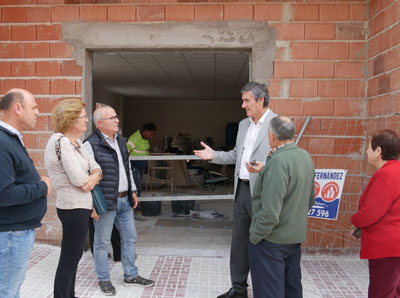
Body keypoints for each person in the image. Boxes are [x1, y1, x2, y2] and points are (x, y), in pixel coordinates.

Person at [194, 81, 276, 298]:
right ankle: (239, 289)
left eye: (247, 100)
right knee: (239, 244)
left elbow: (283, 161)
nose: (243, 105)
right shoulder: (243, 125)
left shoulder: (277, 124)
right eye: (243, 101)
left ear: (261, 100)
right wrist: (214, 156)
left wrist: (264, 167)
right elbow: (236, 155)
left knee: (262, 244)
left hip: (263, 194)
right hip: (241, 191)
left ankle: (264, 291)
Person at [84, 106, 154, 296]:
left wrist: (132, 190)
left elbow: (127, 168)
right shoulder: (90, 144)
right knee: (101, 242)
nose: (117, 120)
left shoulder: (121, 141)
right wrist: (93, 204)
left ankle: (130, 275)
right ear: (100, 123)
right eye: (112, 118)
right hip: (106, 202)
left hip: (125, 200)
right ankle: (104, 280)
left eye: (117, 117)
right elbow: (86, 176)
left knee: (130, 238)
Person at [246, 116, 315, 298]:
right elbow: (309, 199)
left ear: (272, 136)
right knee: (291, 290)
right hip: (293, 238)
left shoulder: (278, 162)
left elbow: (270, 212)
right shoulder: (304, 156)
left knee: (269, 291)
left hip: (271, 241)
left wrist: (255, 236)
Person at [44, 99, 102, 298]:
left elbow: (96, 168)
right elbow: (79, 180)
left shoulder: (76, 142)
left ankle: (69, 294)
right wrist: (92, 177)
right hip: (72, 207)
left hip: (82, 205)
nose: (87, 120)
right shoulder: (60, 142)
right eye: (83, 117)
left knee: (75, 255)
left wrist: (93, 176)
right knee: (69, 257)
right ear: (70, 119)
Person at [0, 88, 52, 297]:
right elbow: (4, 194)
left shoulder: (10, 138)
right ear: (17, 108)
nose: (38, 112)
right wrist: (42, 187)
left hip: (15, 231)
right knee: (7, 290)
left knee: (11, 288)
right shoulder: (2, 143)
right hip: (11, 233)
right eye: (34, 107)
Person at [351, 129, 400, 298]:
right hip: (394, 246)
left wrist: (355, 219)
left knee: (381, 292)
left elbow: (371, 212)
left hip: (387, 246)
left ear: (378, 151)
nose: (366, 151)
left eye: (369, 147)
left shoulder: (386, 175)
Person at [127, 123, 157, 217]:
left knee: (138, 188)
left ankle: (135, 209)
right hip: (134, 167)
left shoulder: (144, 138)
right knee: (136, 189)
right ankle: (135, 210)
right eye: (150, 134)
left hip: (140, 167)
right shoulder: (135, 138)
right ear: (145, 131)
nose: (151, 136)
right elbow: (125, 151)